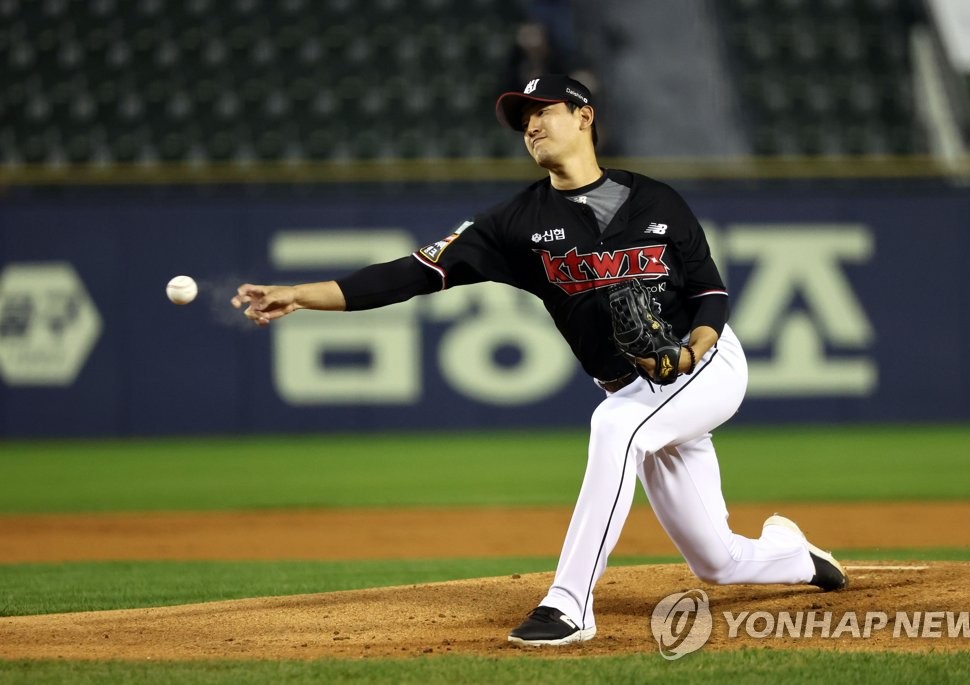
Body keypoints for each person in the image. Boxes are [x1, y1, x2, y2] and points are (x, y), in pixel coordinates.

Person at [231, 75, 848, 647]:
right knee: (716, 561)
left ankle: (569, 605)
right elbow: (407, 276)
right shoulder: (515, 224)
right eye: (522, 118)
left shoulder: (656, 199)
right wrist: (300, 295)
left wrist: (696, 346)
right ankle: (795, 555)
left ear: (585, 117)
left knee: (615, 427)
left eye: (542, 111)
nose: (530, 125)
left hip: (705, 367)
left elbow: (709, 289)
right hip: (633, 389)